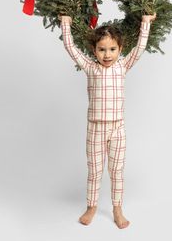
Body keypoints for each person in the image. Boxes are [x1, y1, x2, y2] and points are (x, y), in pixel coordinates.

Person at [59, 12, 157, 228]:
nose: (107, 54)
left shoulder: (122, 66)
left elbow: (139, 49)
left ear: (120, 50)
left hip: (117, 129)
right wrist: (66, 22)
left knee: (116, 170)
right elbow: (71, 49)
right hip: (95, 128)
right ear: (94, 50)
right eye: (102, 49)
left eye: (112, 49)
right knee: (94, 170)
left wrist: (146, 23)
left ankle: (117, 209)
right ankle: (91, 207)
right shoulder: (90, 67)